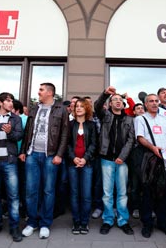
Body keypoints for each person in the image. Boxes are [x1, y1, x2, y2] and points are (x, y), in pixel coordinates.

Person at [19, 83, 69, 239]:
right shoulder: (35, 108)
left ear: (49, 92)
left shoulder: (61, 109)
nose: (38, 92)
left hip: (50, 155)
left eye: (41, 90)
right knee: (31, 191)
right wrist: (23, 151)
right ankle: (32, 222)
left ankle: (45, 223)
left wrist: (59, 154)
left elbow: (65, 134)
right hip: (32, 154)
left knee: (48, 190)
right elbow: (28, 130)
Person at [135, 93, 166, 238]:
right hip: (150, 161)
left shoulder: (165, 118)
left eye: (156, 101)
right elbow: (140, 137)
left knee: (164, 194)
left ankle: (163, 223)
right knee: (147, 194)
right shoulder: (140, 119)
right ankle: (147, 224)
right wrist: (153, 147)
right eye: (151, 101)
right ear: (145, 104)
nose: (154, 103)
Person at [95, 86, 135, 235]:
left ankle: (123, 220)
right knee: (107, 192)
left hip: (122, 161)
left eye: (120, 100)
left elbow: (131, 141)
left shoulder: (129, 120)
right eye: (115, 100)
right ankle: (108, 220)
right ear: (110, 104)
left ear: (123, 104)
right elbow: (97, 105)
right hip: (106, 159)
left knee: (123, 193)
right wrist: (105, 94)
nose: (118, 102)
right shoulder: (105, 116)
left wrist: (122, 157)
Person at [0, 92, 24, 242]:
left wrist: (9, 132)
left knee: (13, 196)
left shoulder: (16, 119)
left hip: (9, 161)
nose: (11, 103)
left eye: (12, 101)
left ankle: (14, 227)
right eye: (8, 101)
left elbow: (18, 137)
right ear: (0, 103)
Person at [67, 98, 97, 234]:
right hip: (72, 163)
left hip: (87, 164)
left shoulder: (91, 125)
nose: (78, 108)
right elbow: (66, 144)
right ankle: (76, 222)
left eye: (81, 106)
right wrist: (74, 158)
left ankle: (84, 222)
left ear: (86, 109)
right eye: (77, 106)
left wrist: (84, 159)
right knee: (74, 194)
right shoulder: (69, 124)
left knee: (86, 194)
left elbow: (93, 144)